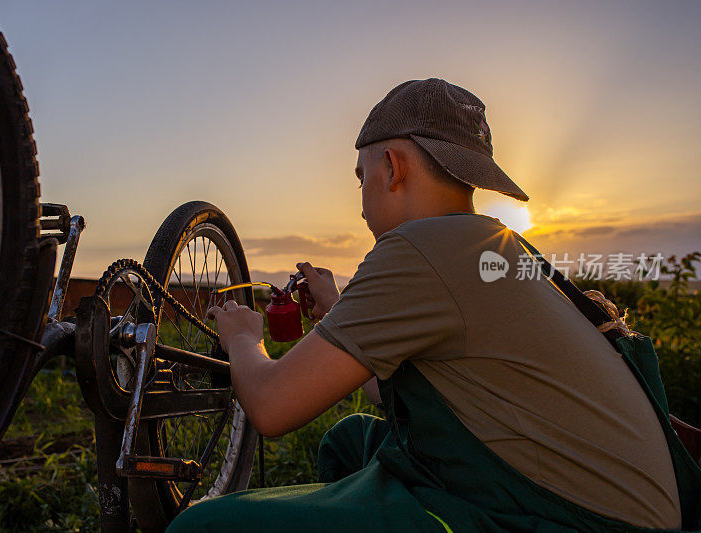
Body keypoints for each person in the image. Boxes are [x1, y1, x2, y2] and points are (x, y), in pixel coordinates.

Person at [167, 79, 699, 532]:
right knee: (351, 442)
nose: (360, 203)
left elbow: (271, 407)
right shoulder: (495, 245)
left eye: (361, 177)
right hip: (626, 504)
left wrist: (242, 336)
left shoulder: (419, 249)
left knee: (201, 526)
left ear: (393, 167)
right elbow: (423, 392)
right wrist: (333, 313)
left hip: (558, 517)